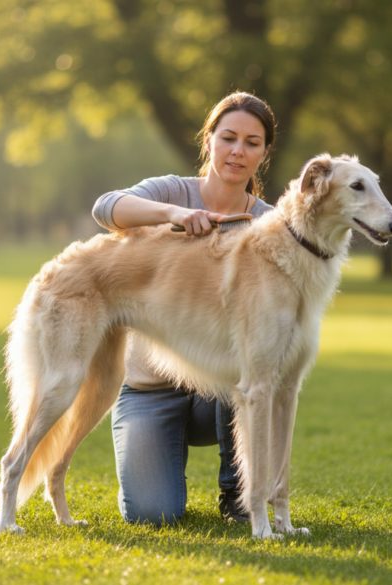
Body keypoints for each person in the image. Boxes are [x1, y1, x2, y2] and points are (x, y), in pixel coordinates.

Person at [91, 92, 277, 525]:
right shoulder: (172, 190)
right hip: (148, 389)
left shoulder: (270, 222)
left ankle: (240, 496)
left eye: (252, 142)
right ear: (208, 140)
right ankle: (158, 458)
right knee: (153, 515)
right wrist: (172, 214)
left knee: (248, 365)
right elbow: (106, 207)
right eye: (228, 137)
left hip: (217, 392)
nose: (238, 151)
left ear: (265, 153)